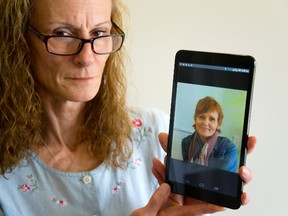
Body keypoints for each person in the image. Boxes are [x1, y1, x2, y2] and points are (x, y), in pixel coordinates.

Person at [0, 0, 256, 215]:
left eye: (99, 33)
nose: (87, 58)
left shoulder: (155, 133)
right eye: (62, 34)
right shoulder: (6, 175)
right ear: (19, 40)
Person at [182, 96, 238, 172]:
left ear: (218, 124)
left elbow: (224, 181)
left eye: (212, 119)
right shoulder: (186, 142)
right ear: (195, 119)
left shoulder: (229, 148)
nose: (205, 123)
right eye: (202, 117)